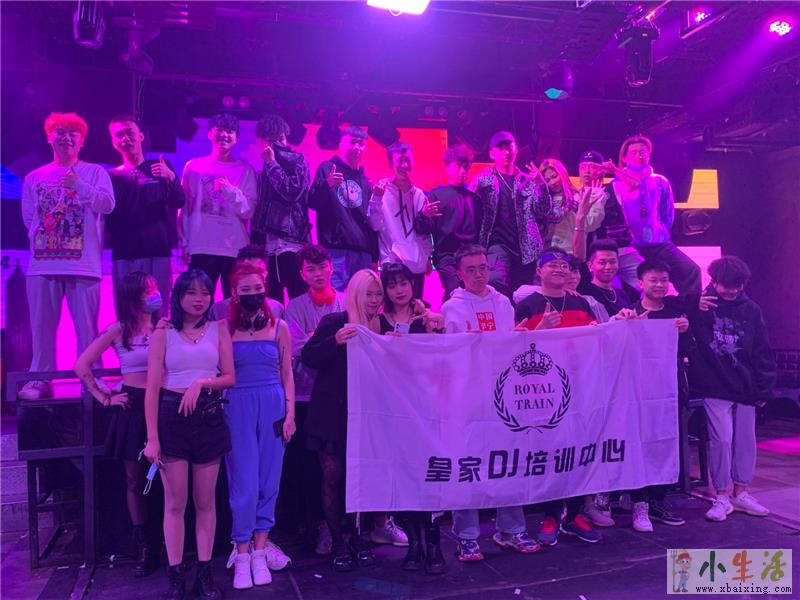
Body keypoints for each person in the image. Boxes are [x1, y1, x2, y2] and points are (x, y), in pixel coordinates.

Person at [441, 244, 540, 561]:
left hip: (503, 394)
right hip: (467, 397)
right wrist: (468, 345)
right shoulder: (452, 308)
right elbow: (449, 357)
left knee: (508, 460)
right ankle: (466, 535)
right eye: (470, 269)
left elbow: (510, 347)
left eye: (482, 267)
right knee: (467, 465)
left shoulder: (503, 303)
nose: (478, 274)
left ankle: (511, 528)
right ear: (459, 274)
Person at [143, 269, 235, 600]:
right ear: (179, 296)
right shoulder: (163, 333)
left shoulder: (219, 328)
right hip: (172, 415)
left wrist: (201, 382)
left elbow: (229, 377)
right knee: (175, 503)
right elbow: (152, 389)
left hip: (208, 414)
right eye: (191, 292)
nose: (199, 299)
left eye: (205, 293)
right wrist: (152, 437)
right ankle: (176, 576)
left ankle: (205, 573)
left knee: (206, 502)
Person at [19, 112, 115, 400]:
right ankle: (40, 380)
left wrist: (79, 185)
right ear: (49, 138)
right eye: (60, 132)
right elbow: (29, 219)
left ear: (82, 141)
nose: (66, 137)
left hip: (84, 265)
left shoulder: (95, 172)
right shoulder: (34, 177)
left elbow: (107, 205)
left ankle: (92, 379)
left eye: (73, 133)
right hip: (42, 265)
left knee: (88, 331)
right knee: (42, 330)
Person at [74, 271, 162, 578]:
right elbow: (81, 365)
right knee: (135, 480)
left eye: (154, 288)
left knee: (169, 478)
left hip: (164, 403)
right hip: (132, 406)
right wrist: (104, 397)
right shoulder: (119, 329)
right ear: (132, 296)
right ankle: (145, 545)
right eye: (147, 290)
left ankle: (172, 541)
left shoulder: (165, 325)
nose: (154, 294)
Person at [301, 270, 383, 571]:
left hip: (368, 414)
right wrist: (334, 342)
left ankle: (358, 536)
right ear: (356, 294)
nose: (373, 300)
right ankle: (337, 542)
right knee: (333, 477)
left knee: (361, 478)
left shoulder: (382, 325)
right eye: (368, 294)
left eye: (378, 294)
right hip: (331, 414)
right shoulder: (335, 321)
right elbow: (309, 357)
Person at [684, 256, 775, 522]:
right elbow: (670, 305)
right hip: (714, 385)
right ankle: (721, 495)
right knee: (721, 440)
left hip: (746, 386)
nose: (733, 291)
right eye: (727, 285)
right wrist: (693, 303)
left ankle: (741, 493)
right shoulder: (701, 305)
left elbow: (762, 350)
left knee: (746, 441)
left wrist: (764, 389)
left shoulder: (751, 309)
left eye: (738, 285)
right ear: (715, 281)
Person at [225, 264, 296, 590]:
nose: (253, 294)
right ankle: (241, 554)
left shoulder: (279, 326)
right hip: (237, 406)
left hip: (273, 406)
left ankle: (259, 552)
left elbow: (287, 373)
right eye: (246, 290)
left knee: (269, 481)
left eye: (258, 289)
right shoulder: (224, 329)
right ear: (234, 293)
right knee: (244, 484)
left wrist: (290, 413)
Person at [377, 263, 445, 574]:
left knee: (429, 474)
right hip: (392, 408)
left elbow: (442, 357)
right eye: (392, 285)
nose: (399, 290)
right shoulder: (378, 321)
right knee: (403, 476)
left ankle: (434, 543)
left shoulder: (426, 316)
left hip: (426, 406)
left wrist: (437, 330)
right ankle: (414, 544)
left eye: (403, 283)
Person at [283, 245, 346, 556]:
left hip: (344, 395)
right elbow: (298, 351)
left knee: (346, 466)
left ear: (331, 268)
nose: (318, 274)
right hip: (306, 396)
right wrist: (327, 345)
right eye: (311, 269)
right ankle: (321, 525)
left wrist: (315, 342)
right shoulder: (294, 307)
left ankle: (361, 527)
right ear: (302, 274)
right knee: (313, 469)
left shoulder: (347, 300)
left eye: (322, 267)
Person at [620, 260, 690, 532]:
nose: (660, 285)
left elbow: (687, 351)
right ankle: (639, 504)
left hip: (668, 392)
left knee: (664, 444)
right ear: (640, 283)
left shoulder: (675, 313)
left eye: (664, 280)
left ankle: (659, 501)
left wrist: (685, 331)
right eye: (653, 280)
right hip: (636, 393)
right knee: (639, 446)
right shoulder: (630, 312)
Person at [107, 114, 185, 308]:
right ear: (114, 142)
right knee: (127, 312)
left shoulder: (160, 167)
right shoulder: (111, 176)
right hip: (124, 255)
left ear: (141, 136)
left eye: (130, 133)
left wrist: (171, 178)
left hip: (157, 253)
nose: (125, 138)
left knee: (157, 310)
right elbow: (107, 219)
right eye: (119, 135)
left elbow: (179, 201)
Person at [611, 135, 701, 295]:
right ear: (624, 158)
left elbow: (668, 214)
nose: (639, 156)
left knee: (690, 271)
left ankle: (691, 309)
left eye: (643, 152)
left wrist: (658, 231)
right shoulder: (616, 184)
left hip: (659, 244)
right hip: (631, 247)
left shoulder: (660, 181)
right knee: (640, 286)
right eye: (634, 153)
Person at [180, 113, 257, 298]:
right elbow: (184, 208)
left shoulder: (245, 170)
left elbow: (249, 211)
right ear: (209, 133)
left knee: (235, 303)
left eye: (230, 131)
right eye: (219, 130)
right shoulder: (193, 167)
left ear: (236, 137)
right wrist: (184, 241)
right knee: (199, 301)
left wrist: (230, 190)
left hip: (234, 248)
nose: (224, 135)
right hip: (201, 246)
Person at [471, 131, 554, 298]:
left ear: (516, 150)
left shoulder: (527, 180)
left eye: (510, 147)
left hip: (526, 247)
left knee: (524, 294)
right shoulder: (483, 179)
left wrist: (541, 186)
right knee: (496, 281)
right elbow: (469, 201)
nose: (506, 152)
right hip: (497, 243)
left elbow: (542, 211)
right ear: (492, 154)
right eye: (501, 148)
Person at [250, 114, 311, 302]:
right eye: (270, 140)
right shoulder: (259, 167)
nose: (276, 144)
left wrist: (272, 164)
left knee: (299, 301)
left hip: (293, 243)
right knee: (271, 304)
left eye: (280, 138)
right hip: (267, 247)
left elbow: (292, 191)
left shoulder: (297, 160)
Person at [309, 126, 377, 291]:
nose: (357, 147)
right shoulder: (327, 168)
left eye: (361, 144)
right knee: (335, 300)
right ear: (341, 144)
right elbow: (312, 202)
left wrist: (375, 256)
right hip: (335, 251)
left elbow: (371, 221)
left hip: (363, 253)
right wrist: (327, 184)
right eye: (352, 142)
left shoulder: (365, 181)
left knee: (362, 300)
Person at [367, 142, 434, 298]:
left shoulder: (419, 194)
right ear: (391, 164)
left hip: (416, 265)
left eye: (408, 161)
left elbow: (424, 233)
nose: (404, 165)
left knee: (415, 307)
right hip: (392, 264)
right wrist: (376, 199)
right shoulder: (382, 191)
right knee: (393, 309)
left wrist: (429, 257)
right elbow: (375, 225)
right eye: (400, 161)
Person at [415, 145, 481, 302]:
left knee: (471, 294)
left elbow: (480, 230)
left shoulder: (475, 199)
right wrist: (424, 215)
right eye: (458, 166)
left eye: (466, 166)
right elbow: (422, 229)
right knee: (456, 291)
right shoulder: (436, 196)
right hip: (446, 256)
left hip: (471, 256)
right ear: (448, 168)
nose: (462, 171)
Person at [580, 150, 643, 290]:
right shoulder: (576, 195)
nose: (587, 171)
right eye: (583, 167)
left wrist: (614, 170)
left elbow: (635, 184)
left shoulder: (614, 187)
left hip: (622, 250)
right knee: (606, 291)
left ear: (601, 170)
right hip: (597, 256)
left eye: (592, 166)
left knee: (644, 284)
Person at [515, 248, 596, 330]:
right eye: (553, 265)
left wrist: (594, 328)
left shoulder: (582, 303)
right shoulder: (525, 307)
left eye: (564, 266)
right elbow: (520, 337)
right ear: (539, 271)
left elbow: (594, 331)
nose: (559, 270)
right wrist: (541, 328)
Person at [539, 158, 605, 255]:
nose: (552, 182)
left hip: (570, 253)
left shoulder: (578, 197)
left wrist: (596, 198)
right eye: (547, 180)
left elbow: (590, 224)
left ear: (562, 173)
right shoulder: (545, 201)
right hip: (547, 253)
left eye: (554, 176)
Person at [210, 244, 284, 322]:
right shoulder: (218, 310)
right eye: (247, 269)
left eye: (259, 271)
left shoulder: (276, 308)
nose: (253, 275)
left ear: (266, 275)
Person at [579, 239, 635, 317]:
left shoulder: (622, 294)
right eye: (602, 262)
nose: (608, 267)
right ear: (590, 266)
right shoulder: (585, 291)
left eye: (612, 262)